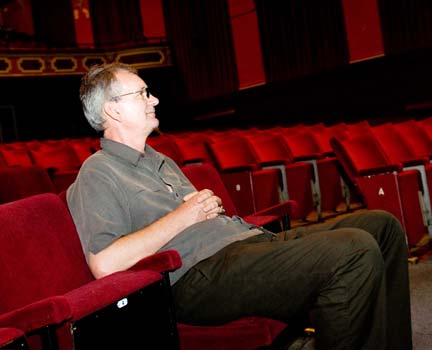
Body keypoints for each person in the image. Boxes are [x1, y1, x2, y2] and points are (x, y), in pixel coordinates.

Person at [67, 62, 412, 350]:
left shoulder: (162, 161)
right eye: (142, 93)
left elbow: (198, 214)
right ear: (112, 108)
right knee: (353, 250)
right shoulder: (97, 172)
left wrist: (203, 209)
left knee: (381, 226)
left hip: (243, 244)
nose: (154, 99)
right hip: (198, 275)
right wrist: (183, 216)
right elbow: (105, 263)